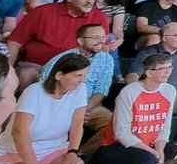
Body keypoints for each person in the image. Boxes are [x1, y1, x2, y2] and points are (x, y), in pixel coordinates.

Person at [0, 53, 88, 164]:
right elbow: (19, 131)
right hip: (15, 151)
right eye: (78, 75)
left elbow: (77, 124)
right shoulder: (34, 92)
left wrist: (73, 153)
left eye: (84, 75)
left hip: (53, 149)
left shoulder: (80, 89)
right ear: (59, 75)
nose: (82, 80)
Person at [92, 50, 177, 164]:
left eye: (170, 67)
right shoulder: (130, 92)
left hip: (149, 145)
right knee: (146, 159)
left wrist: (159, 149)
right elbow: (122, 134)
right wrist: (152, 152)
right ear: (149, 72)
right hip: (114, 147)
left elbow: (164, 126)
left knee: (176, 153)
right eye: (162, 68)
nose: (168, 71)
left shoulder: (169, 91)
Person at [7, 0, 108, 88]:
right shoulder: (42, 12)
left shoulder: (99, 17)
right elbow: (14, 42)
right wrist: (8, 71)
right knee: (26, 74)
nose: (90, 1)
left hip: (75, 70)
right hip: (37, 66)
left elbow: (103, 47)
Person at [39, 23, 119, 153]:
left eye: (103, 37)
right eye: (95, 38)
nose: (101, 41)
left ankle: (81, 155)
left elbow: (101, 89)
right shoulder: (63, 59)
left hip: (89, 107)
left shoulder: (107, 59)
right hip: (60, 106)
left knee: (116, 124)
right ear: (81, 41)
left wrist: (83, 110)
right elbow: (46, 87)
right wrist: (69, 111)